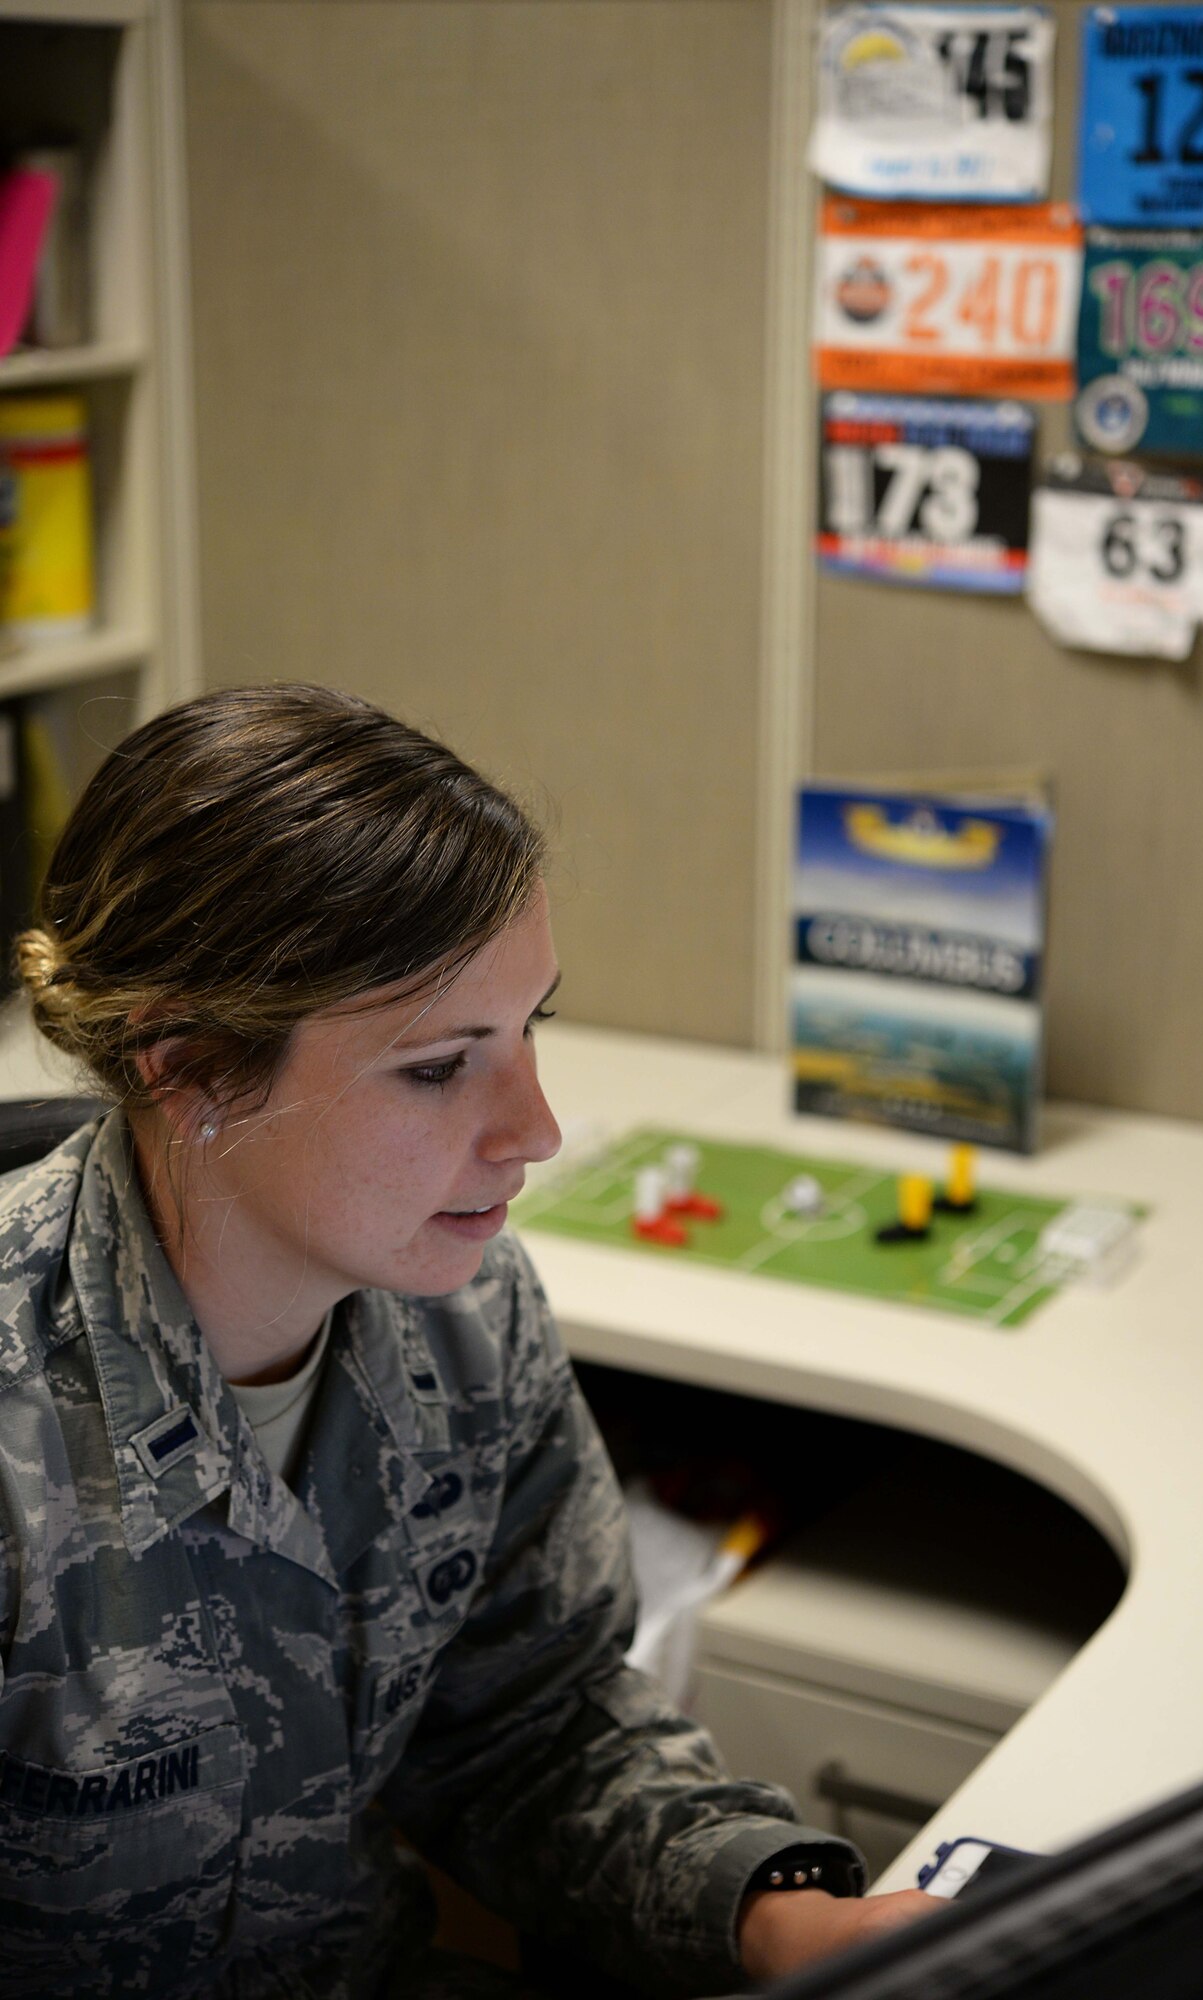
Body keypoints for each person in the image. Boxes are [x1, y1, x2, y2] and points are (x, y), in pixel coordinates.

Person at [0, 685, 935, 1998]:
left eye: (527, 1030)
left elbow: (534, 1729)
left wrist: (780, 1918)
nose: (534, 1131)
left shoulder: (469, 1321)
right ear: (190, 1064)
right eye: (441, 1065)